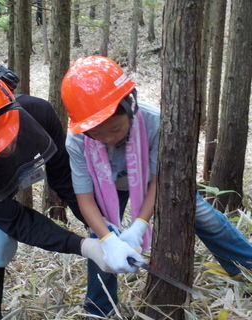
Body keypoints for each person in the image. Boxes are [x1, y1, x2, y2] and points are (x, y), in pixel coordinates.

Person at [0, 66, 145, 320]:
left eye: (7, 129)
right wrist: (86, 247)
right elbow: (17, 221)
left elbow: (63, 177)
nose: (7, 146)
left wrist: (105, 230)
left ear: (8, 97)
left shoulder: (38, 112)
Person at [61, 55, 252, 318]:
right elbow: (85, 199)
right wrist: (107, 239)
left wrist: (140, 225)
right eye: (96, 134)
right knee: (102, 242)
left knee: (206, 218)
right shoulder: (78, 140)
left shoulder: (154, 122)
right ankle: (100, 309)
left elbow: (159, 182)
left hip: (152, 184)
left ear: (130, 105)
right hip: (106, 190)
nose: (107, 139)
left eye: (115, 129)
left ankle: (248, 268)